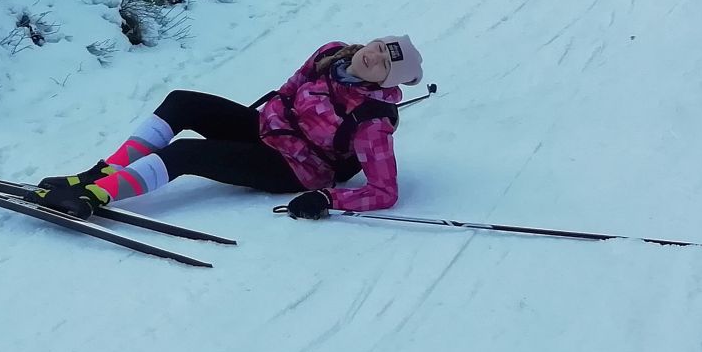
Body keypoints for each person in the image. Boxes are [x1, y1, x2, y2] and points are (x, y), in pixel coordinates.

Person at [35, 36, 423, 221]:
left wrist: (326, 198)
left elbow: (384, 192)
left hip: (296, 166)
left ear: (386, 81)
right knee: (183, 101)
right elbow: (289, 90)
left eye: (382, 64)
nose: (372, 57)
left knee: (185, 153)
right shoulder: (331, 54)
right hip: (268, 130)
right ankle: (103, 172)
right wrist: (260, 121)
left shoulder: (372, 120)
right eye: (377, 47)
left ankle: (95, 195)